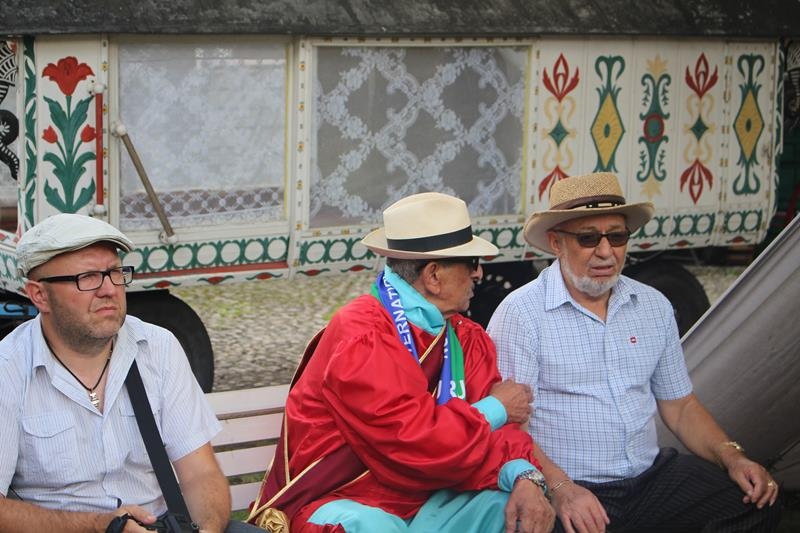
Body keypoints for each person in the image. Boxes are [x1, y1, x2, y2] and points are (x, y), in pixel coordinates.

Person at [487, 172, 782, 532]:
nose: (606, 251)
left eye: (617, 236)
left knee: (755, 504)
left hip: (650, 478)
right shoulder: (521, 314)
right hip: (572, 483)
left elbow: (681, 406)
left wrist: (732, 457)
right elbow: (512, 425)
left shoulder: (653, 305)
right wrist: (561, 489)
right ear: (556, 243)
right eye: (588, 238)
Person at [248, 192, 555, 533]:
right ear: (434, 276)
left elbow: (496, 434)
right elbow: (411, 441)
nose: (480, 273)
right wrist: (497, 407)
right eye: (471, 262)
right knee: (374, 526)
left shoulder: (466, 337)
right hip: (344, 499)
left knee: (507, 505)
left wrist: (524, 476)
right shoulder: (361, 333)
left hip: (427, 498)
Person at [0, 213, 262, 533]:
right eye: (87, 277)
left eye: (114, 272)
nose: (109, 289)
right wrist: (102, 527)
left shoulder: (157, 347)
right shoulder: (8, 368)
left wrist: (207, 529)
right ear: (39, 295)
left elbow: (200, 473)